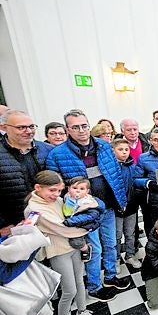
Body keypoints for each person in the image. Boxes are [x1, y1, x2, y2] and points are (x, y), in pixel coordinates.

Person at [46, 109, 129, 301]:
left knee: (111, 244)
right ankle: (94, 286)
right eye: (76, 127)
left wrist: (121, 200)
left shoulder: (103, 146)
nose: (82, 130)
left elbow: (116, 174)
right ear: (68, 129)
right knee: (94, 249)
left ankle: (110, 277)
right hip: (84, 212)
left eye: (84, 125)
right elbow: (55, 186)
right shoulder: (58, 154)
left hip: (107, 206)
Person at [25, 170, 98, 315]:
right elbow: (64, 229)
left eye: (59, 190)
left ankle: (82, 311)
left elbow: (76, 213)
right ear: (38, 188)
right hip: (58, 251)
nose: (57, 195)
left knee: (80, 281)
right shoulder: (34, 209)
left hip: (73, 247)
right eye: (52, 190)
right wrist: (87, 228)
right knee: (69, 289)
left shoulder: (58, 200)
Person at [0, 110, 53, 237]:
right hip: (14, 227)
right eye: (21, 127)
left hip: (50, 222)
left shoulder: (48, 150)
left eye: (31, 126)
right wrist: (2, 225)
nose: (29, 131)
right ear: (4, 128)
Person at [112, 138, 141, 269]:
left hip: (131, 206)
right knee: (117, 235)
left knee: (130, 234)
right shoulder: (111, 168)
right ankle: (116, 258)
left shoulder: (133, 166)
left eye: (126, 149)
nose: (124, 152)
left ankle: (130, 255)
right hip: (116, 207)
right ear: (113, 151)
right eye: (120, 149)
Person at [61, 176, 105, 261]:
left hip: (87, 226)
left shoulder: (88, 202)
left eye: (82, 189)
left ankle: (86, 250)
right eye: (74, 188)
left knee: (77, 242)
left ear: (87, 191)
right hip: (74, 224)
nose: (78, 190)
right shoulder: (67, 198)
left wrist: (71, 221)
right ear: (68, 189)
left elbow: (89, 216)